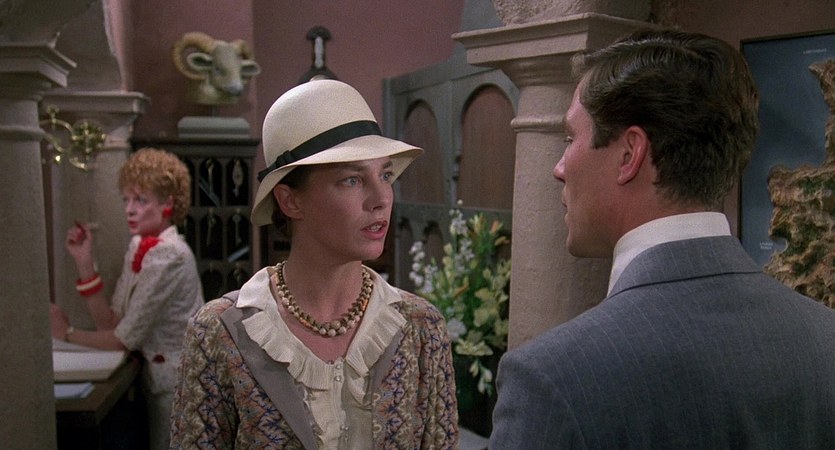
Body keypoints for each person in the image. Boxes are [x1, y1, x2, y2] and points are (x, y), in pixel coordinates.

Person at [489, 28, 835, 449]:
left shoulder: (551, 380)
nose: (558, 168)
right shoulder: (825, 338)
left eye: (569, 138)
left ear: (629, 155)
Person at [170, 79, 459, 449]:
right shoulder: (219, 333)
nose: (381, 198)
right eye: (352, 179)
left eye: (385, 175)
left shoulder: (421, 328)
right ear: (290, 201)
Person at [50, 147, 204, 449]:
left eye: (141, 200)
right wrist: (84, 262)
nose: (130, 209)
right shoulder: (139, 247)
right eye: (126, 200)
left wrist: (66, 334)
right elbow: (110, 323)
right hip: (151, 380)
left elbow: (123, 339)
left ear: (167, 204)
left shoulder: (170, 255)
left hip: (175, 384)